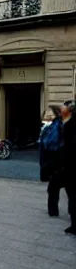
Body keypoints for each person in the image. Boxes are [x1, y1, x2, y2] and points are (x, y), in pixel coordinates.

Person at [39, 106, 64, 216]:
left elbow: (51, 144)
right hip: (52, 161)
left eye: (50, 114)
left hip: (56, 162)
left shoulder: (56, 126)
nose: (47, 116)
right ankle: (53, 211)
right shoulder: (47, 127)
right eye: (46, 114)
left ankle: (53, 211)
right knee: (55, 187)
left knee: (54, 187)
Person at [61, 99, 76, 235]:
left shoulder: (71, 124)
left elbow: (69, 147)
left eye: (63, 109)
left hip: (71, 165)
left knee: (72, 193)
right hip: (69, 164)